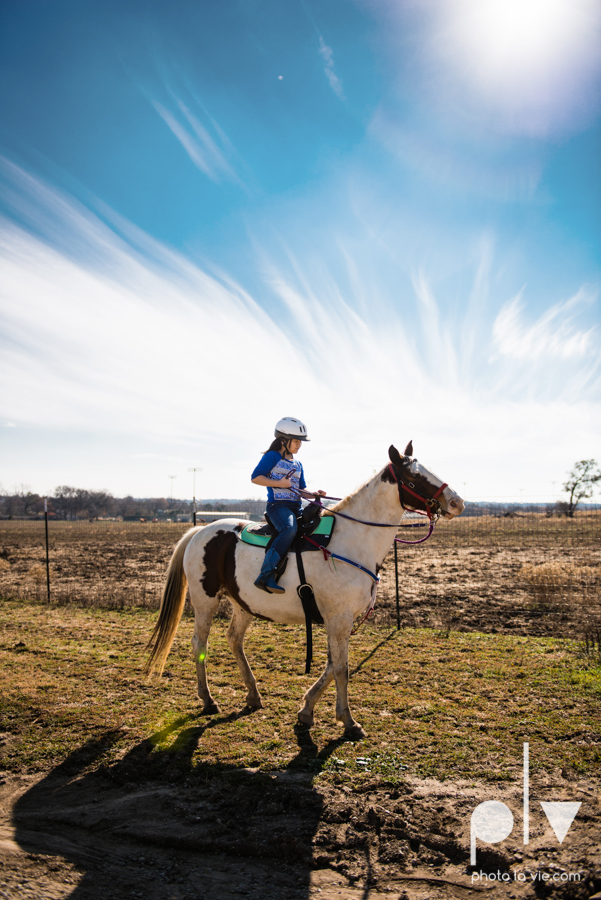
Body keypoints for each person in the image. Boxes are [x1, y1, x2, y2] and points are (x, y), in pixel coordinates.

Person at [251, 417, 325, 594]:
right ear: (284, 441)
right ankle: (265, 576)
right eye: (297, 442)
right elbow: (255, 477)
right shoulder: (272, 456)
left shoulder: (298, 464)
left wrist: (313, 494)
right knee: (289, 529)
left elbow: (301, 489)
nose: (300, 445)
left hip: (296, 507)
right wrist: (279, 484)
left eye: (301, 442)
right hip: (278, 507)